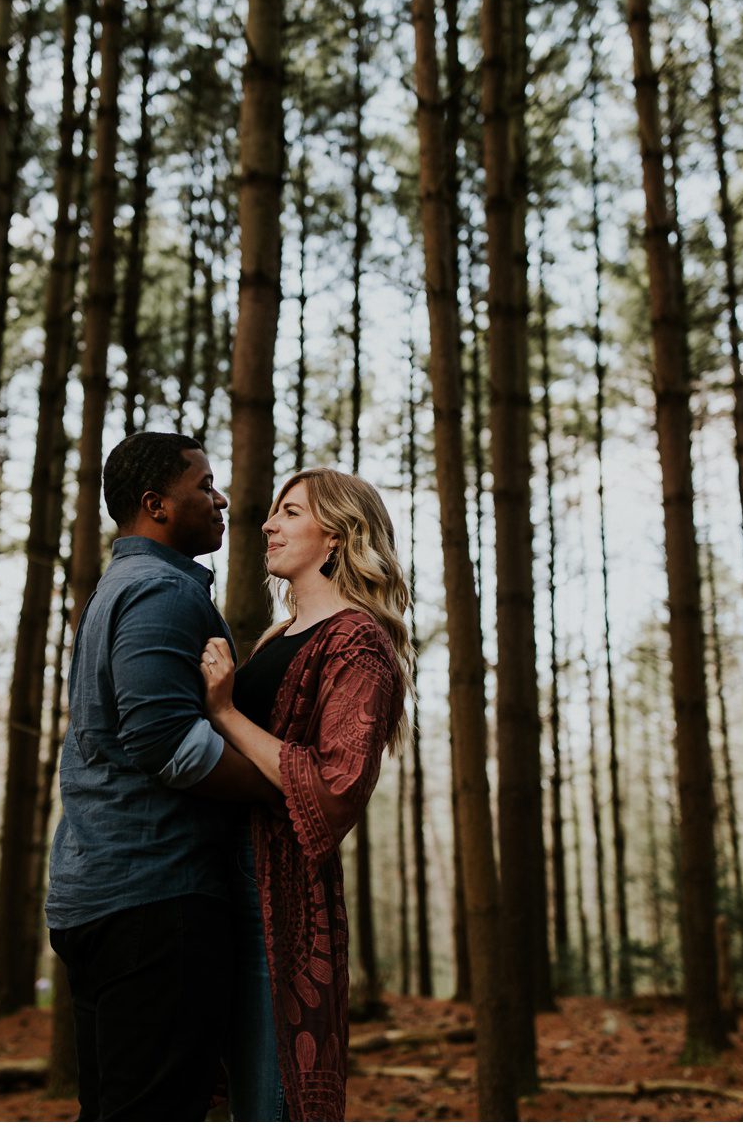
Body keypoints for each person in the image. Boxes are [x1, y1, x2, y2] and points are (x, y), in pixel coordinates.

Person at [46, 432, 278, 1121]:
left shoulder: (119, 588)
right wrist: (278, 780)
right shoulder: (160, 592)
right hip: (155, 899)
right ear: (156, 505)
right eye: (204, 485)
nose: (221, 498)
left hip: (108, 894)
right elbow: (163, 741)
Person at [200, 468, 415, 1122]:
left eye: (289, 512)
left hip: (280, 900)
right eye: (272, 512)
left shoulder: (359, 642)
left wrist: (225, 711)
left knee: (270, 1101)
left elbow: (334, 790)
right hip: (217, 882)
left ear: (336, 538)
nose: (268, 524)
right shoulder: (276, 634)